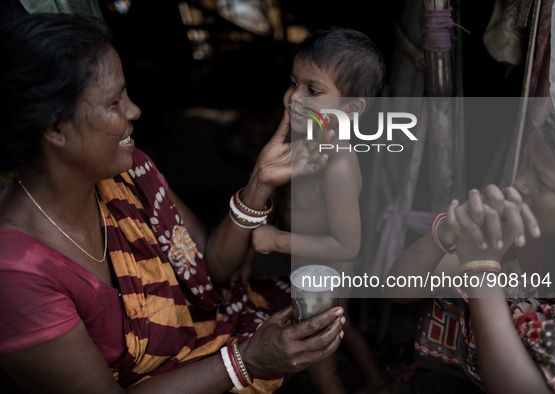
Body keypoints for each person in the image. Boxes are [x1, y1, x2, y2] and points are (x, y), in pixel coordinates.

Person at [0, 13, 346, 394]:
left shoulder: (128, 173)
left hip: (197, 340)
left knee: (312, 307)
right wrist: (247, 361)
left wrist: (259, 183)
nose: (134, 111)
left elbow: (209, 268)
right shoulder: (14, 273)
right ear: (54, 129)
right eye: (115, 101)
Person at [389, 100, 555, 393]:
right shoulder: (523, 229)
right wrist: (444, 234)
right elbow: (399, 289)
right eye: (528, 165)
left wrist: (480, 269)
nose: (520, 184)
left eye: (543, 183)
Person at [231, 27, 388, 394]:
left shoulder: (339, 166)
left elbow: (346, 246)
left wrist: (274, 240)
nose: (294, 98)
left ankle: (374, 383)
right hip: (304, 271)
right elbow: (277, 199)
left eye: (312, 91)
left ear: (351, 108)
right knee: (340, 333)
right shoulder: (302, 142)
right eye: (293, 83)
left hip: (329, 274)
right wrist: (251, 255)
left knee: (318, 365)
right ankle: (377, 383)